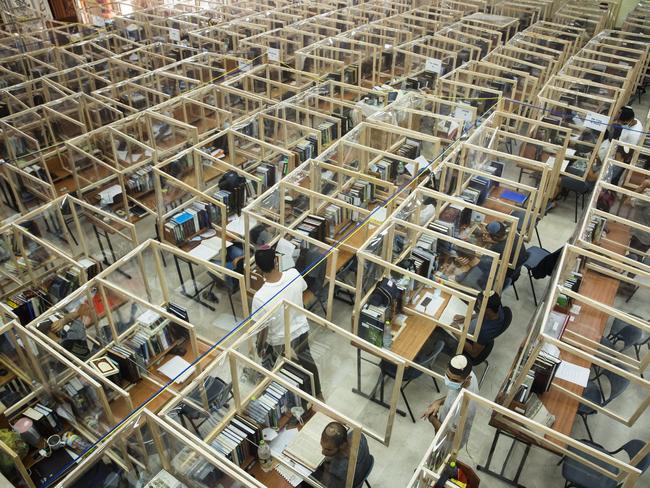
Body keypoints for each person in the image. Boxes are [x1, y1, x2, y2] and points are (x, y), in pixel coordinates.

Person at [252, 246, 322, 397]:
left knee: (267, 365)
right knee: (307, 361)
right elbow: (303, 290)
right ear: (276, 260)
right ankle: (318, 394)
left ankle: (263, 390)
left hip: (277, 339)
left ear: (257, 268)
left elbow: (262, 329)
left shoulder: (260, 297)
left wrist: (259, 347)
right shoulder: (294, 274)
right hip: (300, 330)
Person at [422, 355, 478, 447]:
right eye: (448, 376)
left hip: (448, 444)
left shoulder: (462, 406)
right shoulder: (468, 373)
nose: (449, 381)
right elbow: (453, 394)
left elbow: (450, 436)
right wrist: (438, 402)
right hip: (446, 424)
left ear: (467, 379)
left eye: (455, 380)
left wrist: (432, 418)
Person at [314, 422, 372, 488]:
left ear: (343, 445)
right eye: (322, 446)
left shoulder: (337, 470)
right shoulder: (359, 436)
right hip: (361, 471)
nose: (323, 452)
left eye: (328, 449)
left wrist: (327, 469)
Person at [453, 292, 506, 358]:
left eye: (479, 306)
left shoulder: (484, 331)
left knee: (440, 334)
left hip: (472, 346)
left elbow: (474, 353)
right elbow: (481, 314)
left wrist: (457, 333)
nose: (478, 307)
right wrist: (467, 317)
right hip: (480, 336)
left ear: (488, 310)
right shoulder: (497, 307)